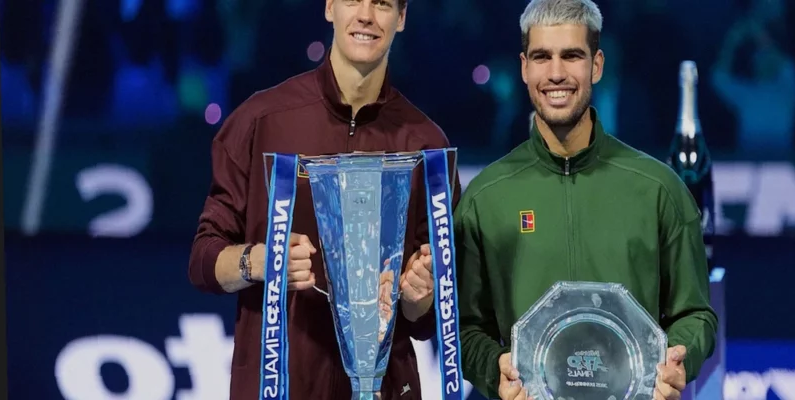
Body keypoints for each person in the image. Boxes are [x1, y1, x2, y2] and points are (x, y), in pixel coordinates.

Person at [188, 0, 460, 399]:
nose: (366, 15)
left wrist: (421, 295)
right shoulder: (261, 121)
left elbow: (427, 318)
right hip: (280, 386)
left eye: (382, 4)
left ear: (401, 18)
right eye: (352, 0)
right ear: (330, 7)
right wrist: (261, 261)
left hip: (382, 388)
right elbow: (202, 261)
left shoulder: (426, 146)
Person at [455, 1, 718, 400]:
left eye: (572, 56)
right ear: (524, 68)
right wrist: (496, 370)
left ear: (596, 65)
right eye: (542, 57)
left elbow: (696, 314)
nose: (556, 73)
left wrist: (677, 359)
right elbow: (464, 328)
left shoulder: (659, 190)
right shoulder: (485, 198)